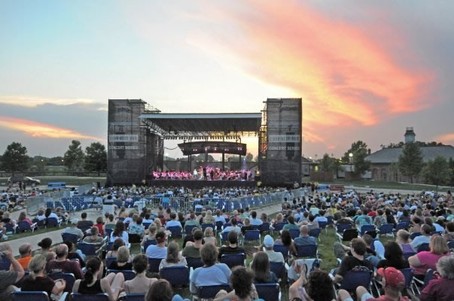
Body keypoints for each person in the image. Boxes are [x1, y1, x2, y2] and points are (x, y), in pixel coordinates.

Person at [339, 267, 409, 301]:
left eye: (383, 278)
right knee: (360, 289)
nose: (381, 279)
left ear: (387, 286)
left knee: (342, 292)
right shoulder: (405, 299)